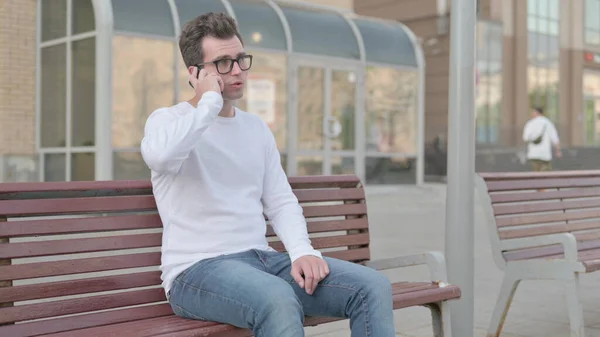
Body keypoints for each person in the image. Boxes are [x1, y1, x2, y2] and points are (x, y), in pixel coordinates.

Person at [140, 12, 395, 337]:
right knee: (278, 299)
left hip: (261, 260)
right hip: (197, 271)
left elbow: (280, 200)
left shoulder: (255, 128)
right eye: (222, 63)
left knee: (372, 287)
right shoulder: (169, 120)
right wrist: (208, 103)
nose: (236, 70)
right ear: (195, 73)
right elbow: (160, 157)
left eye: (241, 59)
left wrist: (303, 251)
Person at [522, 106, 561, 172]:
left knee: (535, 175)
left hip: (533, 154)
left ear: (536, 113)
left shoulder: (530, 123)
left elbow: (525, 138)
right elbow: (554, 137)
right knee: (545, 176)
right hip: (545, 154)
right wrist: (558, 150)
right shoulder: (548, 123)